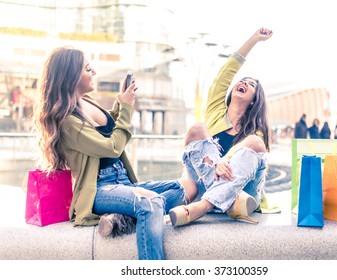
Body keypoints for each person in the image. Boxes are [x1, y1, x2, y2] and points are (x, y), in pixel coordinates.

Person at [32, 46, 197, 260]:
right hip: (98, 189)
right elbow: (111, 147)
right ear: (70, 75)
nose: (94, 73)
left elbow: (106, 127)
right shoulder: (67, 121)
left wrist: (120, 103)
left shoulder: (86, 102)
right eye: (88, 69)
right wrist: (127, 109)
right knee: (150, 203)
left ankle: (123, 218)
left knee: (183, 188)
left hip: (123, 181)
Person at [168, 27, 273, 227]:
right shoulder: (216, 111)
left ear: (253, 100)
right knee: (197, 129)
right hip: (222, 192)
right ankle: (222, 202)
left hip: (245, 191)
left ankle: (203, 206)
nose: (244, 82)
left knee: (254, 142)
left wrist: (224, 161)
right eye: (242, 81)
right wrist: (254, 38)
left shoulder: (254, 130)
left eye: (251, 85)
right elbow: (226, 73)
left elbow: (255, 151)